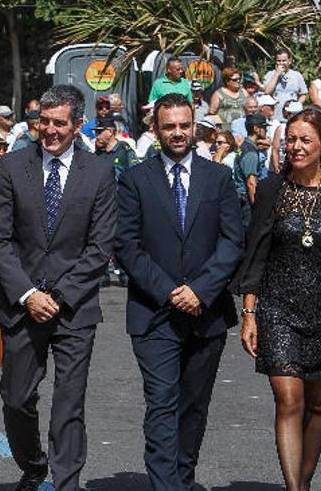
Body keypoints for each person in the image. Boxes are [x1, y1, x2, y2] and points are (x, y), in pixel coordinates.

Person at [0, 84, 115, 491]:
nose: (51, 130)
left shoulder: (99, 172)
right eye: (44, 121)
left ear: (78, 125)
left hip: (74, 308)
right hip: (22, 304)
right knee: (16, 397)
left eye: (60, 123)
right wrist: (28, 294)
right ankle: (33, 463)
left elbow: (100, 246)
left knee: (69, 402)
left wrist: (58, 296)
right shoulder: (13, 166)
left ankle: (66, 482)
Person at [234, 108, 321, 491]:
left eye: (305, 140)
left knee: (318, 401)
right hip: (277, 307)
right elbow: (255, 252)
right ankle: (294, 488)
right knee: (288, 399)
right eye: (290, 138)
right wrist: (249, 313)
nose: (295, 146)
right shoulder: (271, 189)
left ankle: (305, 483)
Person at [114, 92, 243, 491]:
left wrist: (200, 291)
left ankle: (182, 480)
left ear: (195, 127)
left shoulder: (218, 177)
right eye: (169, 126)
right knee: (162, 405)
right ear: (156, 129)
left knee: (193, 408)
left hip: (207, 315)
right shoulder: (135, 180)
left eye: (184, 125)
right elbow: (127, 245)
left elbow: (232, 241)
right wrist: (171, 292)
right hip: (155, 314)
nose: (177, 133)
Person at [233, 113, 269, 226]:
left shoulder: (243, 146)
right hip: (247, 201)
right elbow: (251, 183)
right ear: (256, 129)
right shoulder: (250, 152)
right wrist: (257, 208)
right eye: (264, 127)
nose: (266, 130)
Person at [263, 50, 308, 122]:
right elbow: (267, 91)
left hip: (292, 117)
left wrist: (297, 105)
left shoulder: (297, 75)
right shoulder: (270, 74)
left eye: (284, 61)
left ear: (289, 61)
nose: (281, 63)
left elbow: (303, 94)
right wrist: (277, 74)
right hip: (275, 118)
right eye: (279, 61)